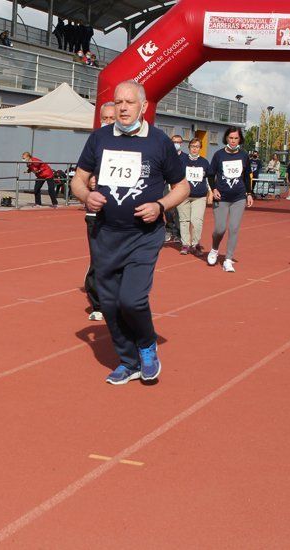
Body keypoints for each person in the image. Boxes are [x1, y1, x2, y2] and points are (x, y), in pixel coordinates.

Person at [69, 80, 188, 386]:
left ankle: (147, 346)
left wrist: (161, 206)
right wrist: (85, 196)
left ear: (144, 107)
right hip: (105, 234)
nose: (122, 107)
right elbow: (77, 180)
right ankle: (128, 360)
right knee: (108, 304)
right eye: (118, 102)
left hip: (143, 235)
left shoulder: (159, 142)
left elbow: (183, 187)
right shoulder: (99, 139)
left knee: (132, 300)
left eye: (129, 102)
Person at [83, 101, 116, 323]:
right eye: (104, 118)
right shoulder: (95, 142)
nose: (107, 122)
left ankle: (116, 300)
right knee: (98, 259)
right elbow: (79, 176)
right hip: (96, 213)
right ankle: (97, 303)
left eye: (111, 118)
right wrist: (88, 185)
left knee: (118, 260)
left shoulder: (132, 144)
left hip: (122, 213)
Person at [207, 127, 254, 272]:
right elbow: (210, 174)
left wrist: (249, 193)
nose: (233, 141)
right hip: (221, 197)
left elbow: (247, 176)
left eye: (236, 138)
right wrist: (213, 189)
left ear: (240, 139)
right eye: (231, 138)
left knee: (234, 228)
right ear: (226, 139)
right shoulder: (218, 155)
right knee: (220, 228)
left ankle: (228, 259)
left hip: (238, 197)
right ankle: (214, 249)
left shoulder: (244, 155)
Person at [177, 137, 212, 255]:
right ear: (189, 147)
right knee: (184, 220)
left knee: (197, 221)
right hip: (183, 196)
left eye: (197, 147)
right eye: (192, 146)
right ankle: (185, 244)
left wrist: (210, 192)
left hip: (199, 196)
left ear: (200, 148)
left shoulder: (204, 162)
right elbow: (175, 176)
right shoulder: (182, 161)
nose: (194, 149)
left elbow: (208, 179)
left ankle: (195, 244)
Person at [164, 134, 184, 243]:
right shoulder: (166, 155)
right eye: (174, 142)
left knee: (178, 210)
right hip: (167, 185)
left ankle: (178, 232)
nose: (176, 144)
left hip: (180, 186)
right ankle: (168, 229)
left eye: (178, 142)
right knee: (167, 209)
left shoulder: (185, 157)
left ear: (181, 144)